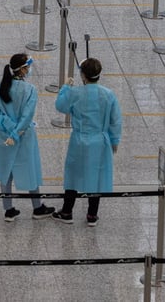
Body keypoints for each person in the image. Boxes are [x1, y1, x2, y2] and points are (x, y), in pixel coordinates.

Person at [0, 53, 55, 222]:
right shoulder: (30, 90)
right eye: (27, 67)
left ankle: (8, 210)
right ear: (22, 70)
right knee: (30, 169)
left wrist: (9, 128)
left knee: (5, 172)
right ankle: (37, 207)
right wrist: (17, 132)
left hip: (3, 136)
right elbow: (27, 116)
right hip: (24, 137)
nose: (29, 70)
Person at [53, 58, 122, 226]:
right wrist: (114, 140)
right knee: (96, 176)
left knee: (73, 174)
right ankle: (92, 214)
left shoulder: (75, 93)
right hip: (100, 141)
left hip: (79, 140)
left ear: (83, 75)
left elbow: (60, 106)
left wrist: (65, 87)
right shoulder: (108, 94)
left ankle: (67, 211)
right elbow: (116, 120)